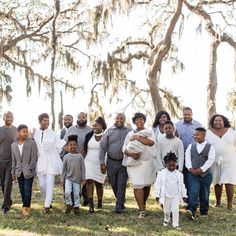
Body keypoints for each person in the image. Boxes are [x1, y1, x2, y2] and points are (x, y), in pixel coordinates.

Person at [123, 113, 156, 218]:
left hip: (147, 162)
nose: (139, 121)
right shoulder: (129, 134)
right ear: (134, 122)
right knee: (137, 185)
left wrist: (137, 137)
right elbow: (124, 148)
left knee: (146, 185)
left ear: (144, 120)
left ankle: (143, 204)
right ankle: (142, 210)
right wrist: (131, 154)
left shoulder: (149, 132)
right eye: (137, 120)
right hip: (134, 163)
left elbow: (150, 143)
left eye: (141, 119)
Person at [34, 113, 66, 214]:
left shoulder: (53, 133)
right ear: (40, 121)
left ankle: (47, 206)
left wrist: (72, 150)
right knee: (42, 184)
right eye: (44, 121)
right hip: (40, 161)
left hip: (51, 162)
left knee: (50, 183)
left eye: (48, 120)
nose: (47, 122)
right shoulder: (35, 133)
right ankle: (46, 199)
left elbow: (60, 145)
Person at [99, 113, 131, 214]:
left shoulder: (129, 131)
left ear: (124, 119)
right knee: (113, 183)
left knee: (121, 183)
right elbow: (102, 147)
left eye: (121, 118)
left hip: (124, 162)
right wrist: (102, 163)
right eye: (117, 118)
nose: (119, 120)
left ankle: (119, 206)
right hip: (111, 161)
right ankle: (121, 200)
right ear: (114, 119)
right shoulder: (108, 131)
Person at [206, 114, 236, 210]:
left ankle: (230, 204)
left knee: (229, 181)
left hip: (229, 159)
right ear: (212, 122)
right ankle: (218, 202)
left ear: (224, 122)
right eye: (215, 121)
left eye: (220, 120)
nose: (217, 122)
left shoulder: (231, 132)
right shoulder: (208, 133)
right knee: (216, 181)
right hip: (214, 159)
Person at [185, 128, 215, 220]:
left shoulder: (210, 147)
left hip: (206, 175)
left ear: (204, 135)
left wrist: (201, 169)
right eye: (194, 135)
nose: (195, 136)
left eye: (197, 135)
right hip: (192, 174)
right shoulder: (191, 146)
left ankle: (204, 211)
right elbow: (187, 158)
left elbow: (211, 160)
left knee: (204, 193)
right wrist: (190, 168)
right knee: (193, 191)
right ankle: (191, 210)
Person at [64, 112, 92, 206]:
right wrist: (71, 152)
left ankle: (86, 198)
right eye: (79, 117)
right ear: (77, 118)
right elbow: (63, 143)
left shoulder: (90, 130)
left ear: (86, 118)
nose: (81, 119)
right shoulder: (71, 129)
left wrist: (81, 153)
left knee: (85, 179)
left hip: (87, 159)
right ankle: (70, 201)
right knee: (72, 179)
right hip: (72, 160)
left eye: (83, 117)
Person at [154, 152, 187, 229]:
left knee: (175, 211)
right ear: (166, 164)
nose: (172, 167)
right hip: (166, 196)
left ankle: (175, 224)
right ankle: (166, 220)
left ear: (176, 164)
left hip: (175, 196)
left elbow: (182, 186)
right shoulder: (161, 173)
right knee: (166, 211)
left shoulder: (179, 174)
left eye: (174, 165)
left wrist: (184, 195)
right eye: (170, 165)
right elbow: (157, 185)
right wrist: (157, 195)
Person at [11, 125, 38, 216]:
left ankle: (26, 208)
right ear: (19, 132)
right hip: (18, 171)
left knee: (27, 189)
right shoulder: (13, 145)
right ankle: (25, 205)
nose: (25, 133)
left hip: (28, 171)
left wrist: (31, 167)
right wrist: (13, 172)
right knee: (22, 190)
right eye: (23, 131)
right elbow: (13, 160)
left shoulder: (31, 143)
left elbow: (34, 158)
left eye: (27, 131)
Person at [83, 117, 107, 213]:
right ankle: (91, 204)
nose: (94, 127)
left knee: (99, 183)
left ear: (101, 126)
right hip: (88, 161)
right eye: (93, 125)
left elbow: (108, 151)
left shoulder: (106, 136)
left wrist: (105, 164)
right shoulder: (89, 135)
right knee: (89, 181)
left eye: (96, 125)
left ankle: (100, 202)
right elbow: (84, 149)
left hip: (101, 162)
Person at [175, 107, 202, 184]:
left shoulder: (198, 125)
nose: (186, 116)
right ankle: (184, 194)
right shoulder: (177, 125)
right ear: (182, 114)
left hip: (194, 154)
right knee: (182, 174)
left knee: (193, 174)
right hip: (181, 153)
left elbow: (202, 139)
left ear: (192, 114)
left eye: (188, 114)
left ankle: (192, 194)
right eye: (185, 114)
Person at [62, 135, 85, 216]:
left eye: (74, 145)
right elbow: (64, 169)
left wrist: (83, 178)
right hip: (68, 178)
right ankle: (69, 204)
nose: (72, 146)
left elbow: (83, 168)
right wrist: (63, 179)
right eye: (70, 145)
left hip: (77, 179)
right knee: (67, 192)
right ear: (68, 146)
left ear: (77, 146)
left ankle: (76, 207)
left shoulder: (80, 156)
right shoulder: (66, 157)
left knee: (76, 194)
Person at [0, 111, 18, 214]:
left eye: (11, 116)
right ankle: (8, 200)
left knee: (8, 183)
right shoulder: (0, 130)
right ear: (3, 118)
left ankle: (5, 207)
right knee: (2, 183)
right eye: (7, 116)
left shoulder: (16, 130)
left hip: (11, 161)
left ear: (13, 118)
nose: (9, 118)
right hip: (0, 161)